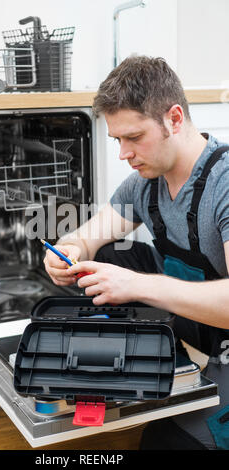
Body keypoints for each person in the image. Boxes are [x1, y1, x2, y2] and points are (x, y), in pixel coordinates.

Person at [43, 55, 229, 450]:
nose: (124, 153)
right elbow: (86, 238)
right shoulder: (143, 185)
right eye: (117, 141)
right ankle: (162, 362)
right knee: (108, 254)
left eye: (134, 137)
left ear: (174, 119)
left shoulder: (225, 184)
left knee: (166, 443)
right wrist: (66, 251)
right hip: (196, 326)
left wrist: (137, 285)